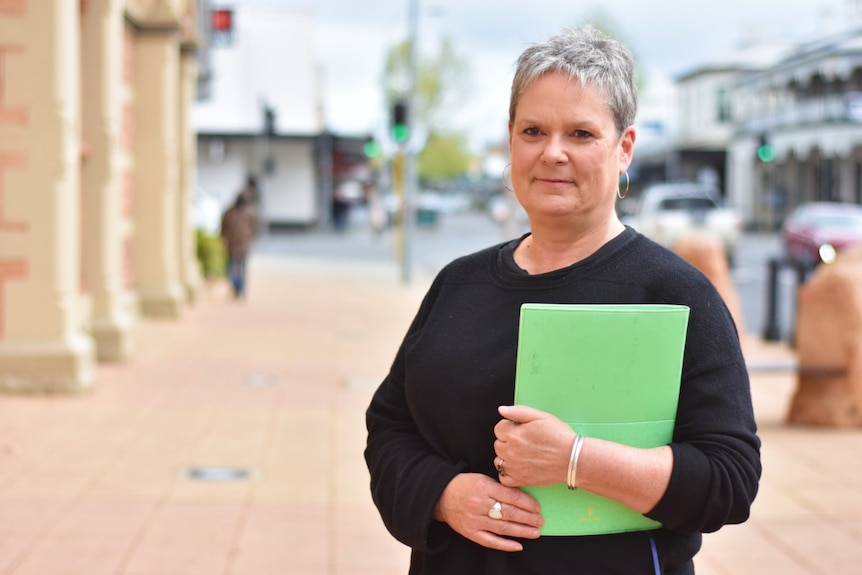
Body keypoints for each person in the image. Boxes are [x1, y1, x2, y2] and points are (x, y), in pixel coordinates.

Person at [364, 25, 760, 575]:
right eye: (533, 130)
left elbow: (729, 478)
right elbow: (390, 427)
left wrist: (576, 460)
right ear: (510, 141)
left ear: (624, 149)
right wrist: (443, 494)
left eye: (580, 134)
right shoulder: (458, 284)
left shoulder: (676, 294)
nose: (553, 153)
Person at [219, 191, 256, 299]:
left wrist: (250, 239)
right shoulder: (230, 213)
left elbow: (255, 228)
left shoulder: (249, 213)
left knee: (241, 268)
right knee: (232, 268)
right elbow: (223, 227)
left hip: (242, 245)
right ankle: (236, 287)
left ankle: (241, 289)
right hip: (232, 245)